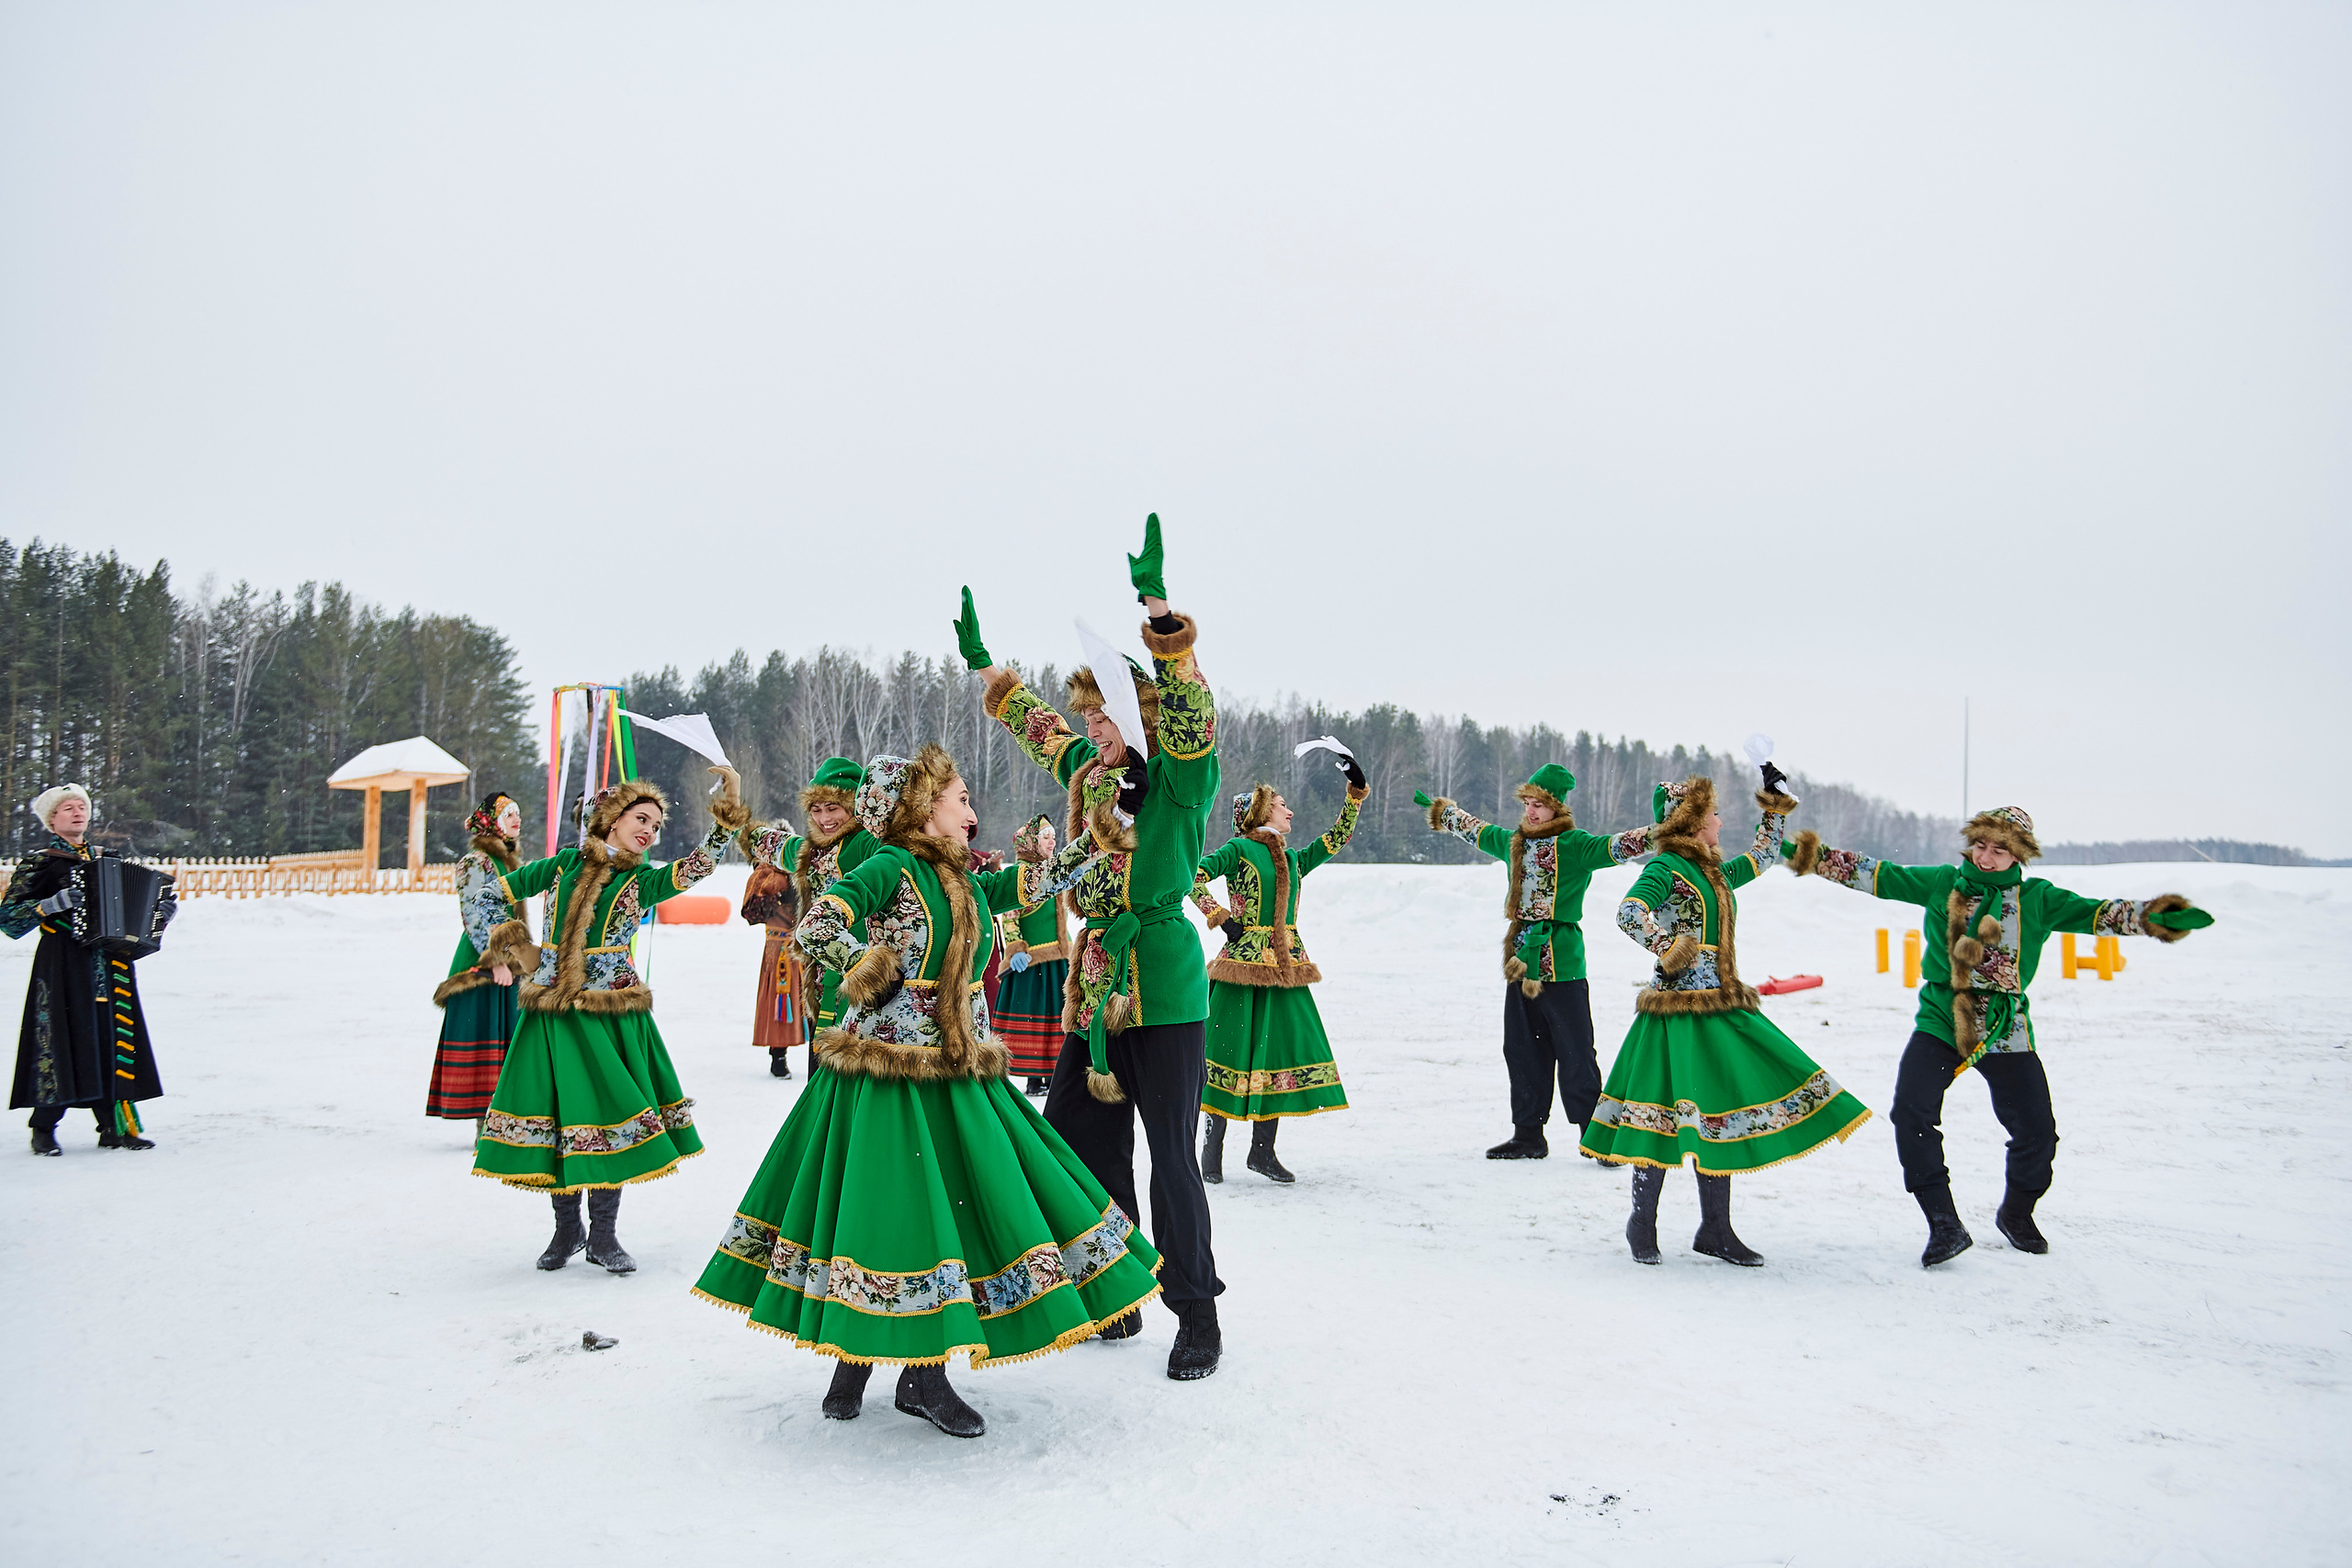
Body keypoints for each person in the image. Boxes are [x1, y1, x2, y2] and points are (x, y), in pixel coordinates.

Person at [692, 746, 1162, 1438]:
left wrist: (1118, 813)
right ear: (922, 803)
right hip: (889, 1075)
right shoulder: (891, 865)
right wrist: (863, 963)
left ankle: (894, 1368)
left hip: (955, 1068)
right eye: (962, 798)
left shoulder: (960, 876)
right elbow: (819, 923)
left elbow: (1040, 881)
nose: (972, 813)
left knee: (944, 1213)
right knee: (893, 1215)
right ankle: (885, 1364)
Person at [953, 513, 1227, 1381]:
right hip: (1095, 985)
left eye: (1107, 720)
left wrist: (1160, 612)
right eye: (1091, 722)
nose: (1094, 733)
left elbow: (1192, 722)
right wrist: (991, 671)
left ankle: (1197, 1312)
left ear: (1139, 716)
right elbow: (1035, 725)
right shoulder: (1093, 774)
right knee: (1076, 1141)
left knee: (1172, 1159)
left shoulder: (1181, 781)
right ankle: (1114, 1289)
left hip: (1165, 988)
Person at [1783, 806, 2211, 1266]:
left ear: (2019, 856)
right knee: (1911, 1112)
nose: (1986, 857)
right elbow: (1875, 874)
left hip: (2006, 1026)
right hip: (1943, 1017)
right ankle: (1943, 1223)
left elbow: (2100, 914)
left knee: (2037, 1133)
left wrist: (2157, 918)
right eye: (1981, 846)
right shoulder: (1942, 883)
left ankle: (2017, 1212)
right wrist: (1799, 852)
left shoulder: (2039, 899)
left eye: (2000, 850)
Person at [1581, 770, 1872, 1266]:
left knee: (1717, 1115)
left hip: (1720, 1005)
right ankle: (1641, 1222)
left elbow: (1759, 859)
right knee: (1661, 1117)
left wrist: (1775, 810)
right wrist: (1670, 948)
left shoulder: (1712, 870)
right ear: (1693, 822)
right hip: (1675, 1015)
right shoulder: (1668, 867)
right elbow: (1629, 912)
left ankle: (1715, 1228)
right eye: (1713, 813)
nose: (1719, 819)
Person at [470, 767, 751, 1271]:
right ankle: (566, 1229)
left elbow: (700, 865)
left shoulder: (642, 879)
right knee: (559, 1117)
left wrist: (728, 811)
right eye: (641, 818)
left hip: (609, 1015)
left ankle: (603, 1234)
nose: (650, 830)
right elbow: (487, 893)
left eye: (657, 825)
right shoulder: (559, 867)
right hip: (553, 1013)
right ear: (611, 819)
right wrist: (520, 947)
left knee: (604, 1119)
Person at [1415, 767, 1655, 1160]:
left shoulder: (1575, 844)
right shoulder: (1514, 842)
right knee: (1522, 1049)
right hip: (1522, 962)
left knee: (1576, 1050)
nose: (1531, 811)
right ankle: (1528, 1134)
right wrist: (1444, 812)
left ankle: (1594, 1135)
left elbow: (1620, 845)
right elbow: (1477, 829)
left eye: (1539, 804)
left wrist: (1666, 828)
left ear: (1556, 807)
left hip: (1563, 962)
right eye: (1527, 803)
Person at [1190, 763, 1366, 1184]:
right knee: (1226, 1057)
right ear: (1261, 811)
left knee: (1275, 1058)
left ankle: (1261, 1153)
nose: (1290, 810)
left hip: (1286, 970)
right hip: (1242, 970)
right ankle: (1209, 1155)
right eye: (1282, 804)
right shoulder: (1239, 849)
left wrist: (1354, 794)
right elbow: (1192, 875)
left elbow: (1336, 839)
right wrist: (1221, 918)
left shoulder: (1291, 856)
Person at [6, 784, 175, 1155]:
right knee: (60, 1038)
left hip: (110, 961)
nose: (77, 812)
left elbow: (134, 920)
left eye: (82, 806)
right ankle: (44, 1129)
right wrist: (51, 905)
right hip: (61, 962)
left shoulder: (107, 858)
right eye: (68, 808)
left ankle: (115, 1127)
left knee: (113, 1037)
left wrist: (157, 914)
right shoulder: (41, 863)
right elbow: (9, 920)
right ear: (52, 820)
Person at [740, 757, 876, 1072]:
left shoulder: (870, 845)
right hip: (821, 981)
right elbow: (767, 843)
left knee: (854, 1078)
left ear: (854, 807)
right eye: (816, 809)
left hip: (865, 980)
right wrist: (734, 810)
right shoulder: (811, 851)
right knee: (822, 1079)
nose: (824, 818)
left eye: (833, 808)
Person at [426, 792, 525, 1121]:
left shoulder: (508, 862)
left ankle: (505, 1122)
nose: (517, 820)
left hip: (511, 961)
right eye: (509, 814)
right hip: (483, 964)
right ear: (491, 823)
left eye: (518, 814)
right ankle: (485, 1126)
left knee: (509, 1044)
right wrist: (495, 960)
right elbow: (473, 913)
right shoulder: (475, 863)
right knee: (486, 1039)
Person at [995, 815, 1071, 1095]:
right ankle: (1033, 1077)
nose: (1053, 842)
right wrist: (1016, 949)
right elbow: (1010, 917)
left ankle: (1053, 1074)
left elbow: (1059, 920)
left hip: (1057, 960)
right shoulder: (1021, 873)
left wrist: (1070, 952)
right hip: (1031, 963)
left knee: (1056, 1017)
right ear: (1032, 842)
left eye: (1053, 836)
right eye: (1046, 837)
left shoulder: (1051, 870)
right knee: (1035, 1015)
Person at [741, 863, 807, 1078]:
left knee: (809, 1000)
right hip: (778, 948)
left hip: (805, 945)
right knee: (779, 1000)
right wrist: (778, 899)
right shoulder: (763, 874)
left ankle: (819, 1056)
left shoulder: (802, 866)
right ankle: (778, 1056)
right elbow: (751, 913)